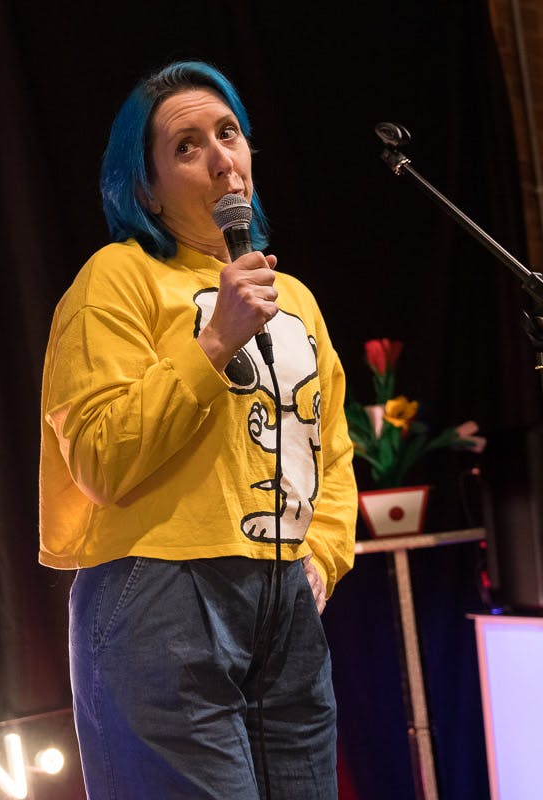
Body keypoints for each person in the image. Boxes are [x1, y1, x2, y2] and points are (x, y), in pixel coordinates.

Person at [38, 60, 357, 799]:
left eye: (229, 133)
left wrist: (325, 556)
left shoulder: (296, 300)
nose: (221, 158)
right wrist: (214, 342)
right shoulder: (116, 280)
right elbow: (99, 456)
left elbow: (331, 449)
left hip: (284, 596)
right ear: (145, 188)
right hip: (162, 593)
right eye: (187, 146)